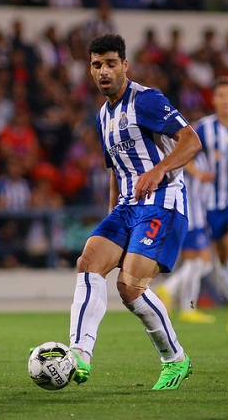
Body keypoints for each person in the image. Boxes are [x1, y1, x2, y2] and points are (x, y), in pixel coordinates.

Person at [67, 33, 201, 391]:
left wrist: (158, 170)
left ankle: (175, 359)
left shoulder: (147, 100)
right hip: (126, 209)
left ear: (125, 65)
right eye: (97, 65)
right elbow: (115, 170)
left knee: (129, 286)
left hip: (163, 203)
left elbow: (191, 140)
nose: (104, 71)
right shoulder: (102, 116)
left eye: (111, 63)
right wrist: (111, 219)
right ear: (90, 70)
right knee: (88, 263)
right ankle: (78, 354)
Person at [192, 76, 228, 332]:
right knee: (222, 259)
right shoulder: (205, 128)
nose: (225, 101)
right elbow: (183, 151)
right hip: (211, 204)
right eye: (220, 96)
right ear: (214, 100)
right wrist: (198, 173)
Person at [154, 151, 216, 323]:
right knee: (200, 262)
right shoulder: (187, 151)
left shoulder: (201, 153)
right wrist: (199, 174)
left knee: (198, 264)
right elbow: (184, 161)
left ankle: (184, 305)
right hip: (190, 216)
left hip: (197, 215)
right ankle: (172, 292)